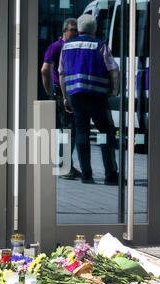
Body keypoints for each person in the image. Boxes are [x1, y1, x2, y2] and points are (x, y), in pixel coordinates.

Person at [59, 14, 119, 185]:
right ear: (94, 29)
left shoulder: (67, 46)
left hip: (76, 96)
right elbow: (114, 69)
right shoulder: (100, 45)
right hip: (97, 96)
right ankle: (110, 174)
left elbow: (61, 73)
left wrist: (65, 97)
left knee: (81, 132)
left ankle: (86, 174)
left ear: (79, 29)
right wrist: (114, 91)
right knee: (105, 132)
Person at [41, 18, 81, 180]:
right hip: (62, 92)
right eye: (72, 30)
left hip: (70, 91)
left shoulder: (72, 46)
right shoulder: (57, 47)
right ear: (64, 31)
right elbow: (44, 70)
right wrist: (51, 92)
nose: (75, 33)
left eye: (76, 30)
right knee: (67, 130)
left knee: (70, 129)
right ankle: (64, 166)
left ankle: (67, 164)